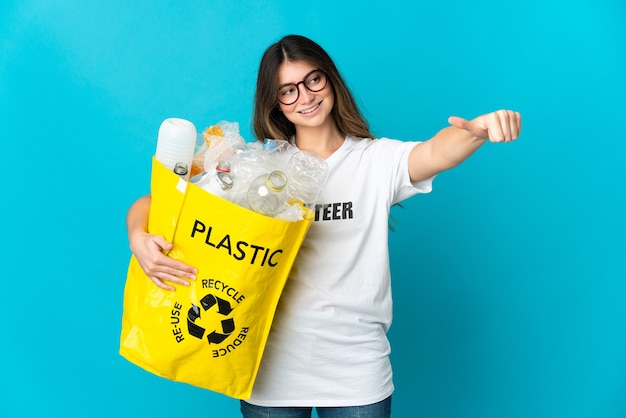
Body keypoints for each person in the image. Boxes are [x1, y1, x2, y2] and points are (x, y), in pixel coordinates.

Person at [126, 34, 521, 418]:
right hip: (267, 369)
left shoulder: (375, 161)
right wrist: (139, 236)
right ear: (275, 103)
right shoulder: (256, 168)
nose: (305, 96)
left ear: (330, 80)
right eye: (288, 90)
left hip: (356, 372)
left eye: (313, 79)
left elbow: (436, 150)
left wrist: (479, 131)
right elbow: (157, 200)